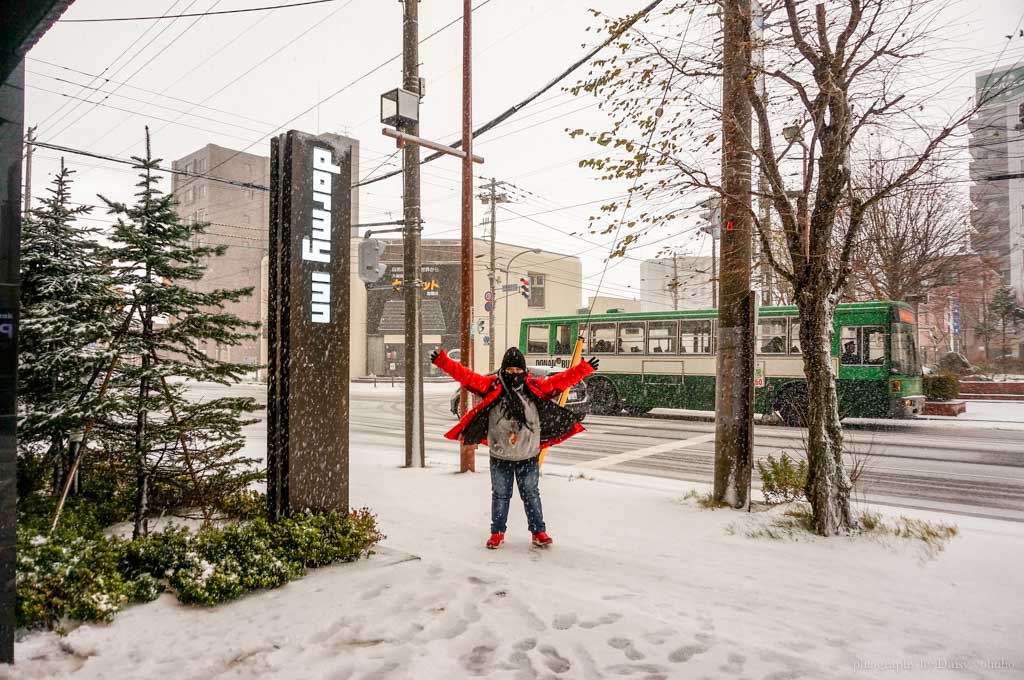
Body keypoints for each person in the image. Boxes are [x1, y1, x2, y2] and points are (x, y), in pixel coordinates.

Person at [431, 346, 598, 550]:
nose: (514, 374)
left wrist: (583, 369)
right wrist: (443, 362)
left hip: (528, 455)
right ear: (503, 370)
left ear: (524, 371)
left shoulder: (535, 387)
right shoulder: (491, 386)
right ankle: (497, 533)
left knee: (531, 494)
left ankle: (538, 531)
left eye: (518, 370)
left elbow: (561, 381)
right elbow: (466, 376)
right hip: (500, 456)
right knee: (500, 495)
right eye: (510, 371)